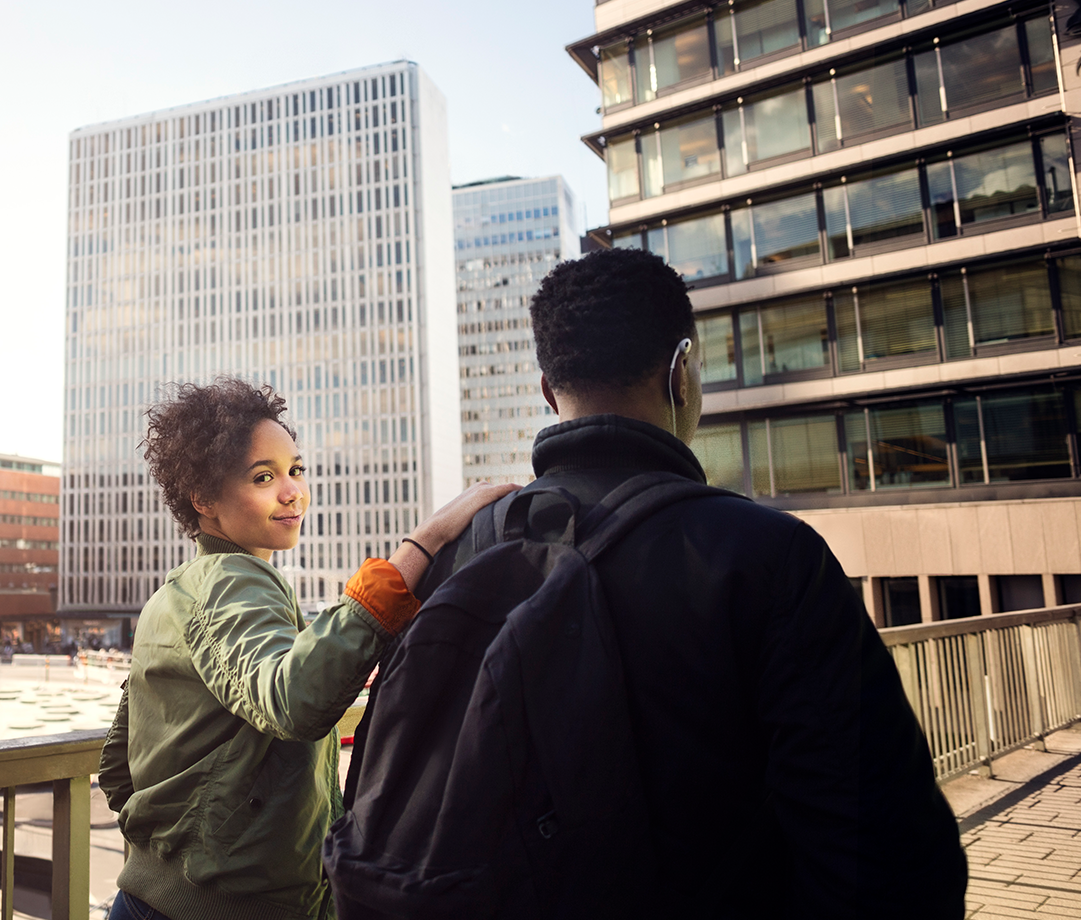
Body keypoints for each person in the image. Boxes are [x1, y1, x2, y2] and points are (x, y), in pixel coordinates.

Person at [393, 248, 967, 916]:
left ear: (549, 390)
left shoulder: (468, 545)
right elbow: (886, 854)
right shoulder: (771, 557)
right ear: (682, 372)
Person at [99, 377, 516, 920]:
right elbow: (293, 698)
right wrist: (425, 543)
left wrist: (174, 854)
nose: (292, 490)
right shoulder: (232, 579)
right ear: (202, 498)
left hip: (149, 901)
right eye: (263, 477)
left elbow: (116, 766)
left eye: (295, 469)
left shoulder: (175, 592)